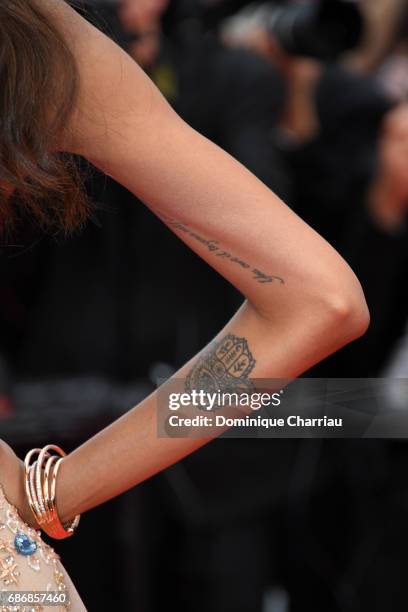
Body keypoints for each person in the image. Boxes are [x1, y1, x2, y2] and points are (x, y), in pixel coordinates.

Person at [0, 0, 369, 609]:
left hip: (213, 478)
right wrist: (53, 493)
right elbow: (320, 298)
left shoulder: (46, 40)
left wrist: (51, 492)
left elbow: (322, 300)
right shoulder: (44, 37)